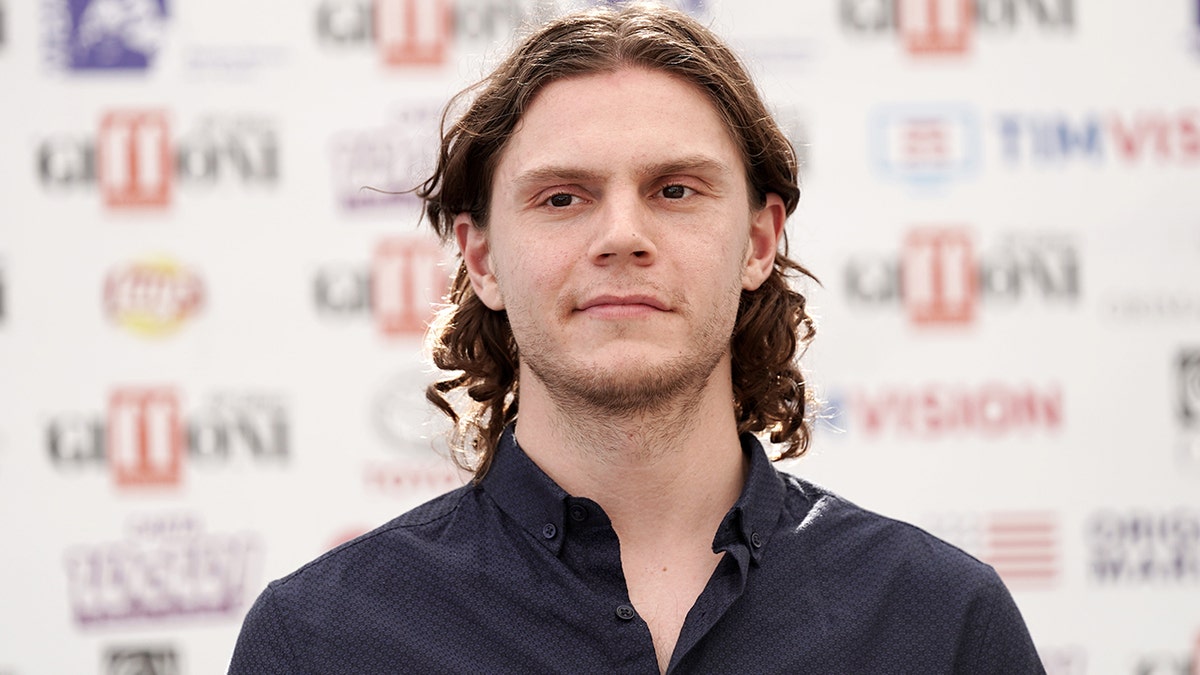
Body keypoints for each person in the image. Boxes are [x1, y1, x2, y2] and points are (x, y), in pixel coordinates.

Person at [229, 3, 1045, 673]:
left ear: (760, 243)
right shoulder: (321, 642)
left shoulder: (941, 623)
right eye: (562, 198)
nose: (622, 234)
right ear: (482, 259)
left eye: (675, 189)